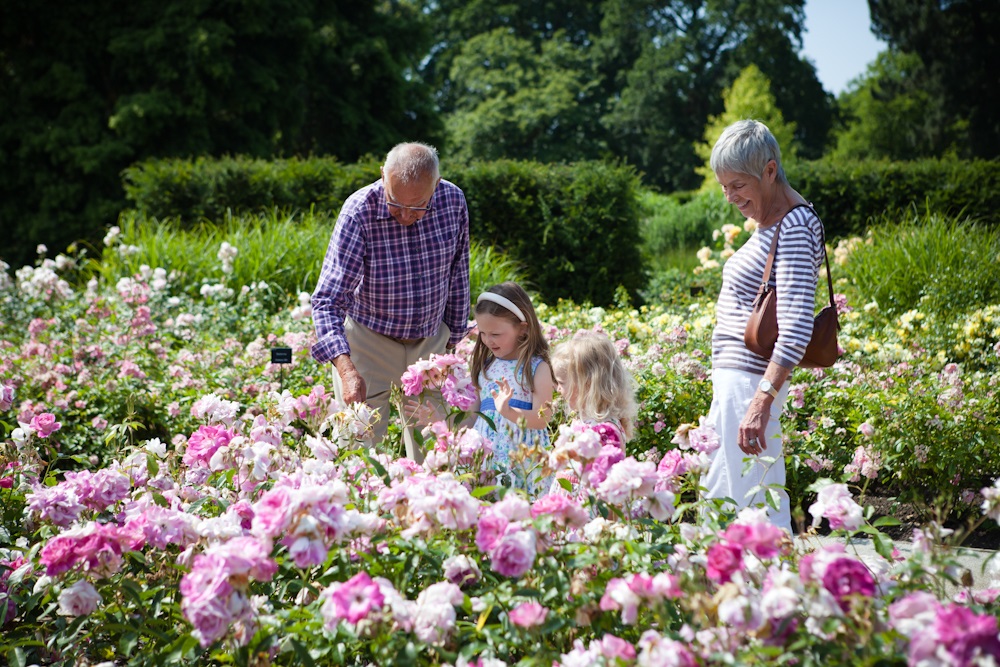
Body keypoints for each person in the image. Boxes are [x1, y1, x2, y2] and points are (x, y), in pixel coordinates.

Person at [702, 119, 826, 533]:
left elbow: (794, 329)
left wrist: (760, 402)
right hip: (739, 383)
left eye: (738, 185)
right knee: (727, 493)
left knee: (754, 503)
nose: (729, 197)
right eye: (724, 186)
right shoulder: (774, 221)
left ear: (769, 171)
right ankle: (724, 590)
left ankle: (772, 591)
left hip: (749, 384)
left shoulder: (793, 226)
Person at [310, 142, 471, 460]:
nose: (406, 216)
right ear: (382, 176)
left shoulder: (453, 201)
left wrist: (451, 340)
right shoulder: (359, 210)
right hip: (370, 342)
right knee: (359, 452)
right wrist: (347, 370)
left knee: (436, 449)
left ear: (436, 187)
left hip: (430, 342)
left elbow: (458, 273)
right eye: (396, 204)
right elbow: (328, 299)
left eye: (418, 207)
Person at [470, 282, 555, 495]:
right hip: (487, 462)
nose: (488, 340)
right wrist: (438, 420)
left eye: (496, 334)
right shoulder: (486, 367)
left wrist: (507, 411)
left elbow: (543, 418)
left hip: (522, 462)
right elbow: (473, 417)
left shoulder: (536, 368)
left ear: (522, 328)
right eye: (483, 333)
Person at [550, 330, 638, 446]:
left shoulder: (604, 433)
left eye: (561, 383)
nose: (558, 389)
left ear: (587, 384)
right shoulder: (583, 419)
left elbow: (602, 464)